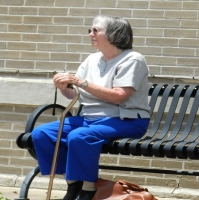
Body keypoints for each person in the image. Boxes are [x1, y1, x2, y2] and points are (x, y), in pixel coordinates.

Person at [32, 15, 151, 200]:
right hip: (89, 118)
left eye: (96, 30)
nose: (90, 34)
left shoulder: (132, 59)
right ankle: (73, 183)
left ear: (114, 34)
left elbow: (119, 96)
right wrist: (65, 87)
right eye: (90, 30)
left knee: (79, 136)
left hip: (126, 119)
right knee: (42, 134)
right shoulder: (91, 59)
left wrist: (81, 82)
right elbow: (75, 95)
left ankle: (88, 188)